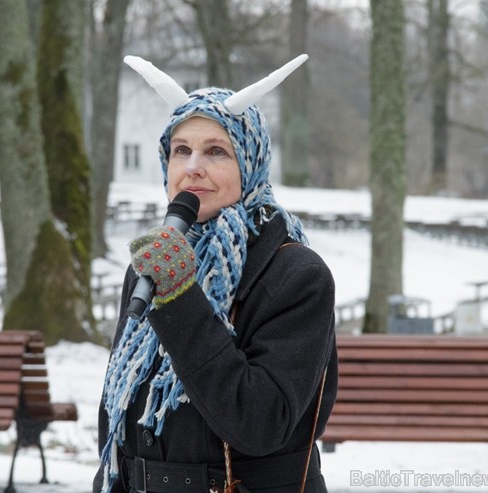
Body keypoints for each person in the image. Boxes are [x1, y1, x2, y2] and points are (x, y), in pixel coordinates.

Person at [93, 54, 338, 493]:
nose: (192, 168)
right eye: (180, 150)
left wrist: (181, 298)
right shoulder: (153, 265)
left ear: (250, 164)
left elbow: (259, 424)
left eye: (215, 151)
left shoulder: (296, 274)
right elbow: (118, 417)